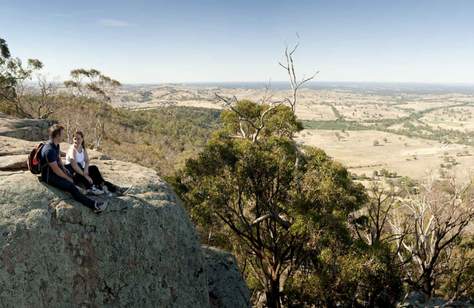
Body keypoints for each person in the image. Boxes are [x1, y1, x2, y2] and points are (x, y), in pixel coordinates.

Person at [40, 124, 107, 213]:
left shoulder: (55, 144)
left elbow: (59, 159)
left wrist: (65, 168)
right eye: (62, 134)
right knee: (71, 186)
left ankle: (89, 187)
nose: (63, 135)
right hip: (50, 176)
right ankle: (94, 206)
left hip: (56, 170)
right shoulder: (49, 150)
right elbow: (56, 171)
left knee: (77, 165)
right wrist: (68, 178)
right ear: (57, 135)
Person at [65, 130, 117, 196]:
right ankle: (91, 188)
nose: (76, 141)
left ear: (82, 139)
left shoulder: (82, 148)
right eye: (75, 139)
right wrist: (85, 175)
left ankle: (102, 184)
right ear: (72, 139)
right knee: (81, 172)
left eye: (78, 139)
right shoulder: (72, 149)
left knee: (94, 168)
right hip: (73, 173)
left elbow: (87, 160)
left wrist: (86, 169)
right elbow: (74, 165)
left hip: (80, 170)